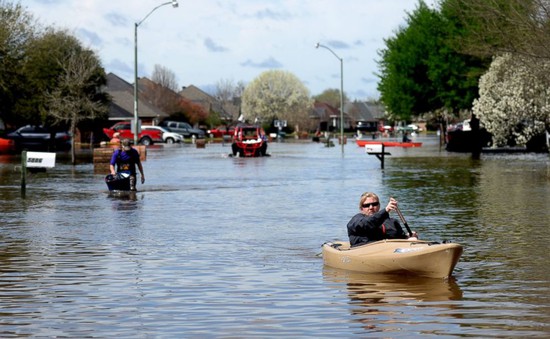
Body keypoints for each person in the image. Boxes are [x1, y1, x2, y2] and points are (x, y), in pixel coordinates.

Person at [347, 192, 418, 247]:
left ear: (379, 206)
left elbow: (398, 237)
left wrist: (407, 236)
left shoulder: (391, 222)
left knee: (413, 240)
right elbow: (369, 223)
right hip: (365, 251)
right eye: (366, 205)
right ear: (361, 208)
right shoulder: (356, 220)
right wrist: (386, 210)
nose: (371, 207)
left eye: (374, 204)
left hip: (388, 250)